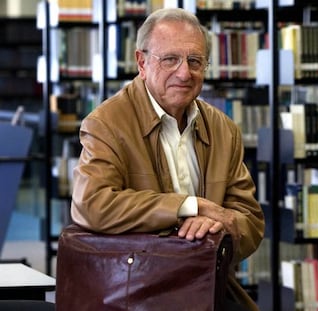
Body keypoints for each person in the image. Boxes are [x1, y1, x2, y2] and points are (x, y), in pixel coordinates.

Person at [70, 7, 265, 311]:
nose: (184, 73)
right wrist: (190, 206)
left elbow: (250, 220)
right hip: (132, 289)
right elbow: (92, 204)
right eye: (170, 59)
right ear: (141, 62)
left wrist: (218, 227)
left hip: (204, 286)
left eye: (195, 61)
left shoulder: (224, 130)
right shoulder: (106, 124)